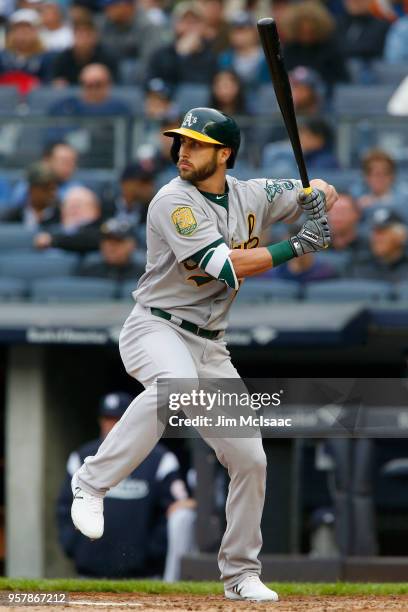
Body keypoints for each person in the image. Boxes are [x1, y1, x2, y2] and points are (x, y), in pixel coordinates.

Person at [70, 106, 337, 602]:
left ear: (224, 153)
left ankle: (239, 574)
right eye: (181, 142)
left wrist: (317, 197)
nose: (183, 151)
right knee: (174, 388)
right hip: (156, 326)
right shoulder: (173, 201)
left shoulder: (251, 194)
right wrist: (297, 244)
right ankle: (91, 483)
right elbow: (224, 266)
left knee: (250, 458)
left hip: (211, 344)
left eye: (195, 144)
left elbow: (320, 187)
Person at [57, 391, 195, 579]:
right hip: (89, 572)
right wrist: (74, 546)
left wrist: (151, 552)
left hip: (144, 574)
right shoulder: (82, 457)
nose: (111, 425)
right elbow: (64, 508)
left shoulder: (160, 459)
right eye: (107, 418)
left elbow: (178, 511)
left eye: (118, 419)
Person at [280, 0, 349, 93]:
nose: (306, 36)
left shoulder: (330, 49)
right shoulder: (289, 49)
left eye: (310, 32)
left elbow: (342, 79)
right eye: (302, 32)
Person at [146, 1, 218, 89]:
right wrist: (181, 55)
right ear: (176, 25)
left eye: (195, 22)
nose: (190, 27)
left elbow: (202, 87)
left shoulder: (210, 56)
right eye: (186, 21)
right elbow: (154, 84)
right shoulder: (161, 54)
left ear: (203, 26)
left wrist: (187, 56)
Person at [99, 0, 170, 68]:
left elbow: (149, 61)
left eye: (112, 6)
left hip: (140, 75)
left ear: (126, 5)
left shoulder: (147, 25)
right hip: (112, 74)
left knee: (128, 67)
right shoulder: (105, 24)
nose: (107, 10)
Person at [34, 185, 101, 253]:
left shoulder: (101, 232)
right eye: (69, 205)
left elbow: (87, 240)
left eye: (78, 205)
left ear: (95, 209)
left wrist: (53, 240)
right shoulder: (50, 228)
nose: (73, 210)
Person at [10, 142, 80, 208]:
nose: (70, 166)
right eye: (64, 161)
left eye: (72, 162)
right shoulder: (27, 186)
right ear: (47, 160)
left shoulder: (78, 189)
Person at [0, 9, 54, 92]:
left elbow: (49, 85)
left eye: (27, 31)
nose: (22, 36)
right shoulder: (2, 57)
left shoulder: (46, 58)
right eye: (18, 30)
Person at [51, 18, 118, 85]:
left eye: (87, 35)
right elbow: (53, 82)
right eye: (80, 34)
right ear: (74, 36)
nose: (84, 39)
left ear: (95, 37)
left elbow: (115, 84)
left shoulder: (108, 57)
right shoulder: (62, 59)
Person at [49, 63, 131, 116]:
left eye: (98, 84)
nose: (93, 90)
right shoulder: (65, 108)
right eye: (89, 85)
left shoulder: (120, 110)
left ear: (108, 85)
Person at [77, 218, 145, 282]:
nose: (111, 247)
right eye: (107, 241)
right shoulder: (88, 273)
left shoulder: (144, 275)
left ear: (132, 245)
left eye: (118, 241)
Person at [350, 207, 408, 282]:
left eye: (383, 233)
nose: (377, 238)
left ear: (400, 236)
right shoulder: (357, 265)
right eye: (374, 232)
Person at [0, 161, 60, 228]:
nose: (52, 193)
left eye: (53, 189)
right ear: (31, 189)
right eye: (45, 189)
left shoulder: (61, 216)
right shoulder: (11, 217)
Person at [218, 11, 269, 88]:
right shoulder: (224, 59)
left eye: (244, 30)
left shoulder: (268, 56)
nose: (239, 35)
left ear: (254, 32)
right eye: (235, 31)